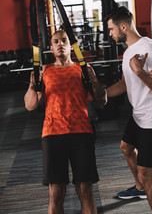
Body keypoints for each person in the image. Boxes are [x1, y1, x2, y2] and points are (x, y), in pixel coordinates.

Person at [24, 30, 107, 214]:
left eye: (64, 40)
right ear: (52, 48)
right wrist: (32, 86)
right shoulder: (44, 71)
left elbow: (102, 100)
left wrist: (94, 80)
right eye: (56, 41)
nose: (60, 44)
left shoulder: (83, 70)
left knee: (85, 189)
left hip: (81, 133)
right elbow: (30, 105)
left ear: (72, 46)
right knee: (56, 192)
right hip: (53, 134)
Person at [105, 6, 152, 214]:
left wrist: (140, 72)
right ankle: (140, 188)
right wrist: (99, 95)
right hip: (139, 116)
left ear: (123, 26)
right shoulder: (128, 50)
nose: (110, 35)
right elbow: (124, 84)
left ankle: (144, 185)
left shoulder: (151, 49)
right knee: (126, 147)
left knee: (147, 175)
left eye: (111, 30)